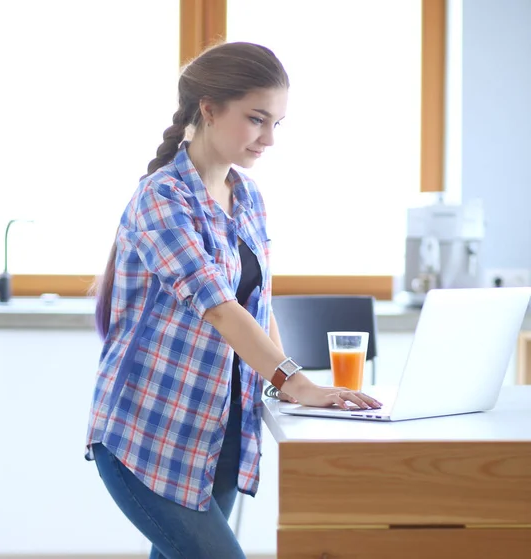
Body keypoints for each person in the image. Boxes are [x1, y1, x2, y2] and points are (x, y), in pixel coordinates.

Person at [86, 41, 382, 559]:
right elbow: (221, 308)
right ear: (208, 108)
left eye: (277, 124)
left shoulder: (246, 196)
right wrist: (296, 381)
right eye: (256, 119)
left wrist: (290, 385)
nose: (269, 138)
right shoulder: (161, 198)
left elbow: (257, 303)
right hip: (148, 434)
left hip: (219, 436)